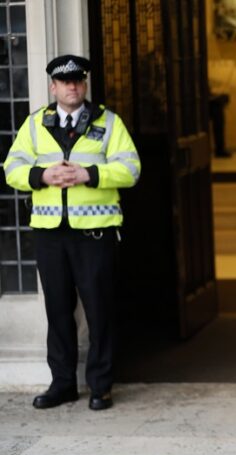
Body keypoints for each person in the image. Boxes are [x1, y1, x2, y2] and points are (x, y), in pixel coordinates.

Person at [2, 55, 140, 411]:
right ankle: (62, 384)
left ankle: (100, 386)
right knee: (58, 311)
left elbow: (131, 169)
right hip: (50, 233)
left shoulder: (108, 122)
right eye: (65, 82)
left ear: (85, 83)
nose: (72, 86)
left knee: (99, 311)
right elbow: (12, 167)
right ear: (53, 86)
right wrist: (42, 176)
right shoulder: (35, 124)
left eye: (78, 80)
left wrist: (89, 175)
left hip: (95, 233)